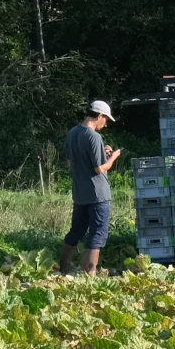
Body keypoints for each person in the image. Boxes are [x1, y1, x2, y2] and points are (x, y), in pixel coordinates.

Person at [60, 101, 120, 275]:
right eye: (105, 119)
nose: (105, 124)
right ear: (99, 116)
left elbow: (71, 163)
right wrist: (113, 157)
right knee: (97, 233)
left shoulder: (72, 133)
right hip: (98, 194)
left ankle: (64, 268)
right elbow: (99, 168)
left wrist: (103, 154)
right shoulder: (94, 136)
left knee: (77, 230)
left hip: (80, 192)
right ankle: (89, 273)